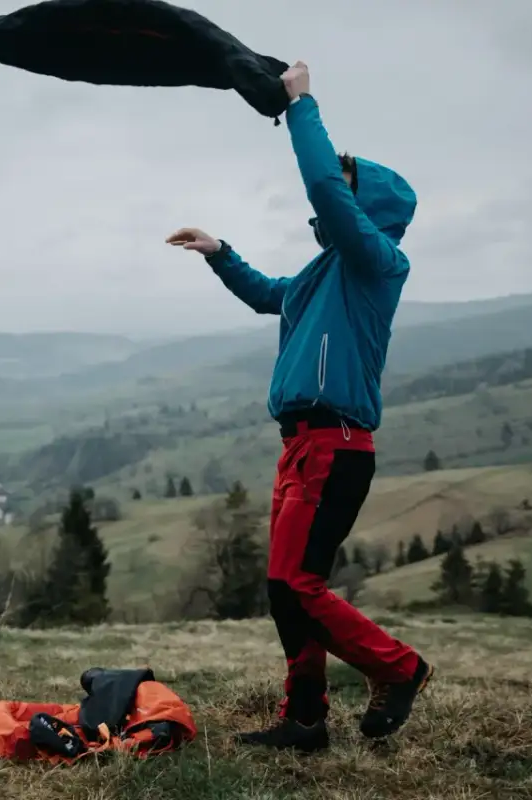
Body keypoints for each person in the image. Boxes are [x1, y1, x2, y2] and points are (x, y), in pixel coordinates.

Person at [165, 61, 434, 752]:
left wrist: (302, 106)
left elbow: (322, 183)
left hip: (337, 447)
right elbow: (267, 294)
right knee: (285, 588)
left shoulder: (378, 262)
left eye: (345, 190)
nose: (327, 199)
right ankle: (306, 719)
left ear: (367, 204)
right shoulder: (322, 274)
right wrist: (220, 253)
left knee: (299, 584)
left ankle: (399, 670)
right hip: (301, 446)